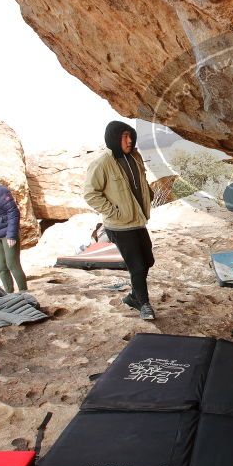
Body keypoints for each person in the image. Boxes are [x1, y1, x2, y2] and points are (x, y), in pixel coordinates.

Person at [84, 121, 156, 320]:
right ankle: (144, 304)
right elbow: (91, 194)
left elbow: (141, 180)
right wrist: (113, 211)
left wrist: (147, 194)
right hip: (119, 225)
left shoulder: (135, 156)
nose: (130, 140)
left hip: (138, 221)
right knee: (137, 265)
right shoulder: (102, 163)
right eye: (124, 137)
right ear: (114, 139)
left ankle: (134, 296)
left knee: (148, 260)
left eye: (130, 135)